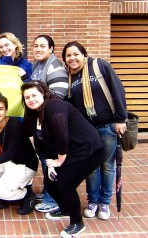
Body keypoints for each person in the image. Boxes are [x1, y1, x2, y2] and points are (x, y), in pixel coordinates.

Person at [21, 81, 103, 237]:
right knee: (51, 183)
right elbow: (40, 143)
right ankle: (65, 209)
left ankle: (77, 223)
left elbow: (62, 136)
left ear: (43, 93)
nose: (31, 99)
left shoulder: (54, 106)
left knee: (65, 184)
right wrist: (49, 164)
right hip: (69, 151)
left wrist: (58, 161)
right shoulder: (34, 114)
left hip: (88, 150)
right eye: (27, 97)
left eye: (34, 95)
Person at [62, 41, 127, 220]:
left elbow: (118, 90)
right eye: (68, 56)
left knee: (107, 166)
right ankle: (93, 201)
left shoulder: (99, 66)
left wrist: (121, 119)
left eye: (75, 54)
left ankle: (104, 203)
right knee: (91, 166)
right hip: (88, 131)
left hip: (107, 125)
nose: (72, 58)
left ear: (84, 54)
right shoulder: (70, 76)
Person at [31, 35, 69, 213]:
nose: (38, 49)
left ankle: (52, 199)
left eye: (42, 46)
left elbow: (58, 97)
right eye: (35, 46)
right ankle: (48, 191)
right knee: (45, 159)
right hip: (41, 120)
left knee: (51, 161)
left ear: (51, 49)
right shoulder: (37, 65)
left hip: (51, 122)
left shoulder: (55, 67)